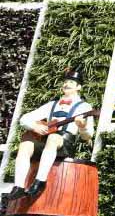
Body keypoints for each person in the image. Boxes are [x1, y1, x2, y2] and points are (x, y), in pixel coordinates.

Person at [7, 68, 94, 202]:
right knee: (25, 143)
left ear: (79, 87)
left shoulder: (84, 107)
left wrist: (82, 126)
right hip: (47, 140)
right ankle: (18, 186)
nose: (66, 84)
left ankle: (40, 181)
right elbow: (24, 119)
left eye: (71, 82)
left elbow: (87, 136)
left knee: (53, 138)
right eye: (65, 82)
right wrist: (35, 126)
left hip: (65, 142)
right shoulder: (51, 105)